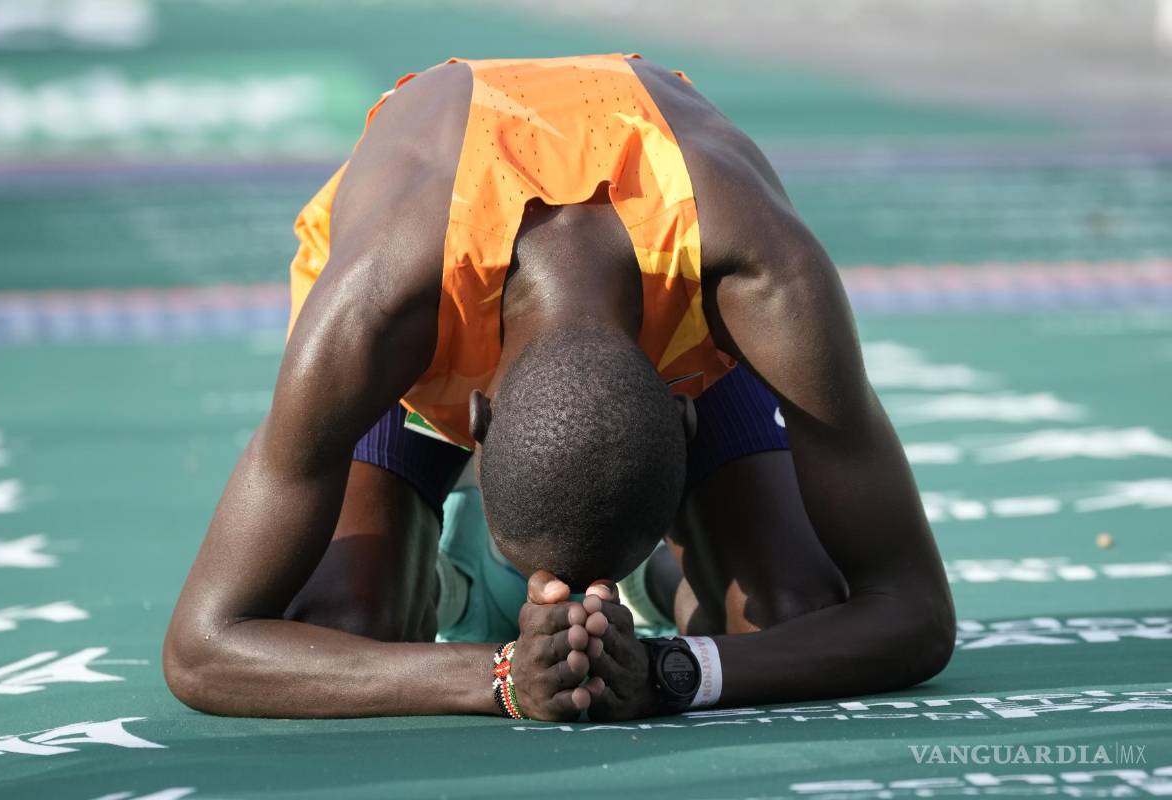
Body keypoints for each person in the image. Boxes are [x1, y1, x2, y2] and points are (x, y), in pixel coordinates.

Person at [163, 54, 955, 723]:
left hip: (667, 329)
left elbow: (915, 616)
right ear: (471, 423)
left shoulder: (759, 272)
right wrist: (501, 677)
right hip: (419, 346)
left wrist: (670, 671)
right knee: (343, 621)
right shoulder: (375, 309)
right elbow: (201, 650)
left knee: (792, 610)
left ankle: (649, 583)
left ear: (686, 415)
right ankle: (476, 572)